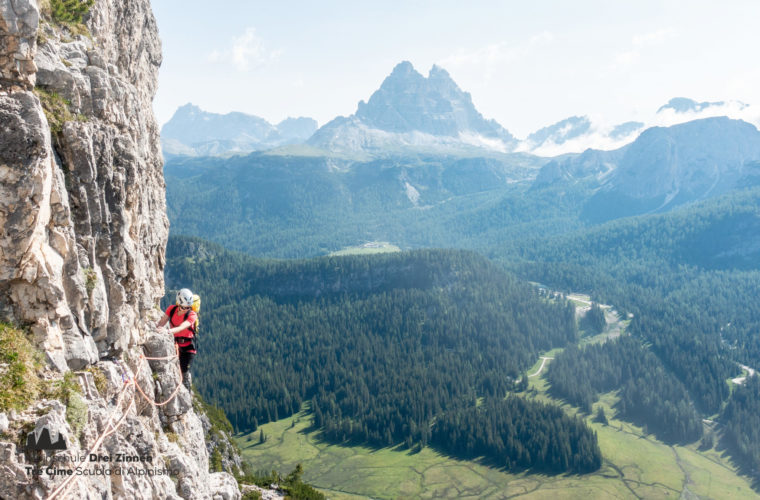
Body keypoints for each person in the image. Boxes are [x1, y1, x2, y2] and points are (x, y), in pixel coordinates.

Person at [156, 288, 197, 391]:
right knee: (174, 369)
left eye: (188, 307)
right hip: (176, 344)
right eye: (183, 307)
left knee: (184, 371)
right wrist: (157, 329)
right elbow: (162, 322)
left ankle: (187, 394)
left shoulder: (192, 315)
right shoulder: (172, 309)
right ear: (178, 303)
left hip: (188, 348)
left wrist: (168, 331)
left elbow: (182, 326)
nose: (186, 309)